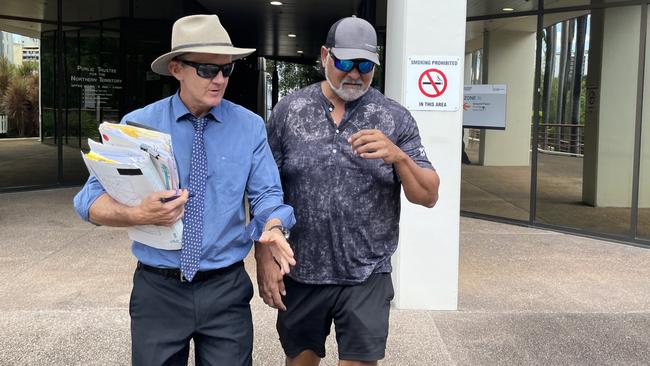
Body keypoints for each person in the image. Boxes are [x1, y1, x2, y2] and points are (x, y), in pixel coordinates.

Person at [73, 14, 295, 366]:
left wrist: (273, 227)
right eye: (207, 70)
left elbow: (267, 195)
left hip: (225, 289)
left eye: (227, 70)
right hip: (158, 289)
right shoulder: (137, 126)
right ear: (176, 68)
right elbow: (88, 201)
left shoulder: (250, 127)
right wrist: (137, 214)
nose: (219, 79)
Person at [256, 16, 440, 366]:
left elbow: (428, 195)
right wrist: (263, 255)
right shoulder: (289, 112)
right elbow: (264, 190)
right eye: (344, 62)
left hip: (366, 273)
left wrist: (398, 156)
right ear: (325, 55)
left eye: (365, 65)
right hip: (301, 269)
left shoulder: (394, 118)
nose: (354, 73)